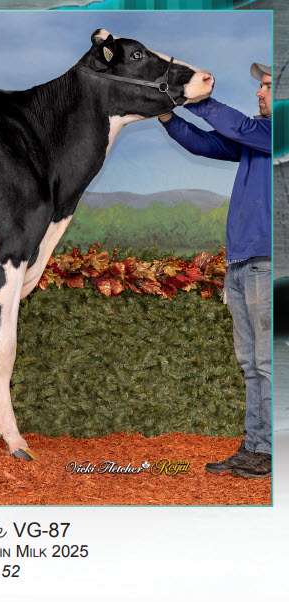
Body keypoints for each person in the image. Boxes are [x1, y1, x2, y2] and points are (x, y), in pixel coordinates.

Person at [158, 63, 272, 479]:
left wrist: (196, 97)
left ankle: (268, 448)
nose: (259, 93)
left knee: (267, 364)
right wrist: (167, 115)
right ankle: (258, 448)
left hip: (269, 264)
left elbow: (237, 126)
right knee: (252, 364)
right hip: (244, 264)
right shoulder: (260, 139)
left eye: (267, 86)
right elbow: (205, 144)